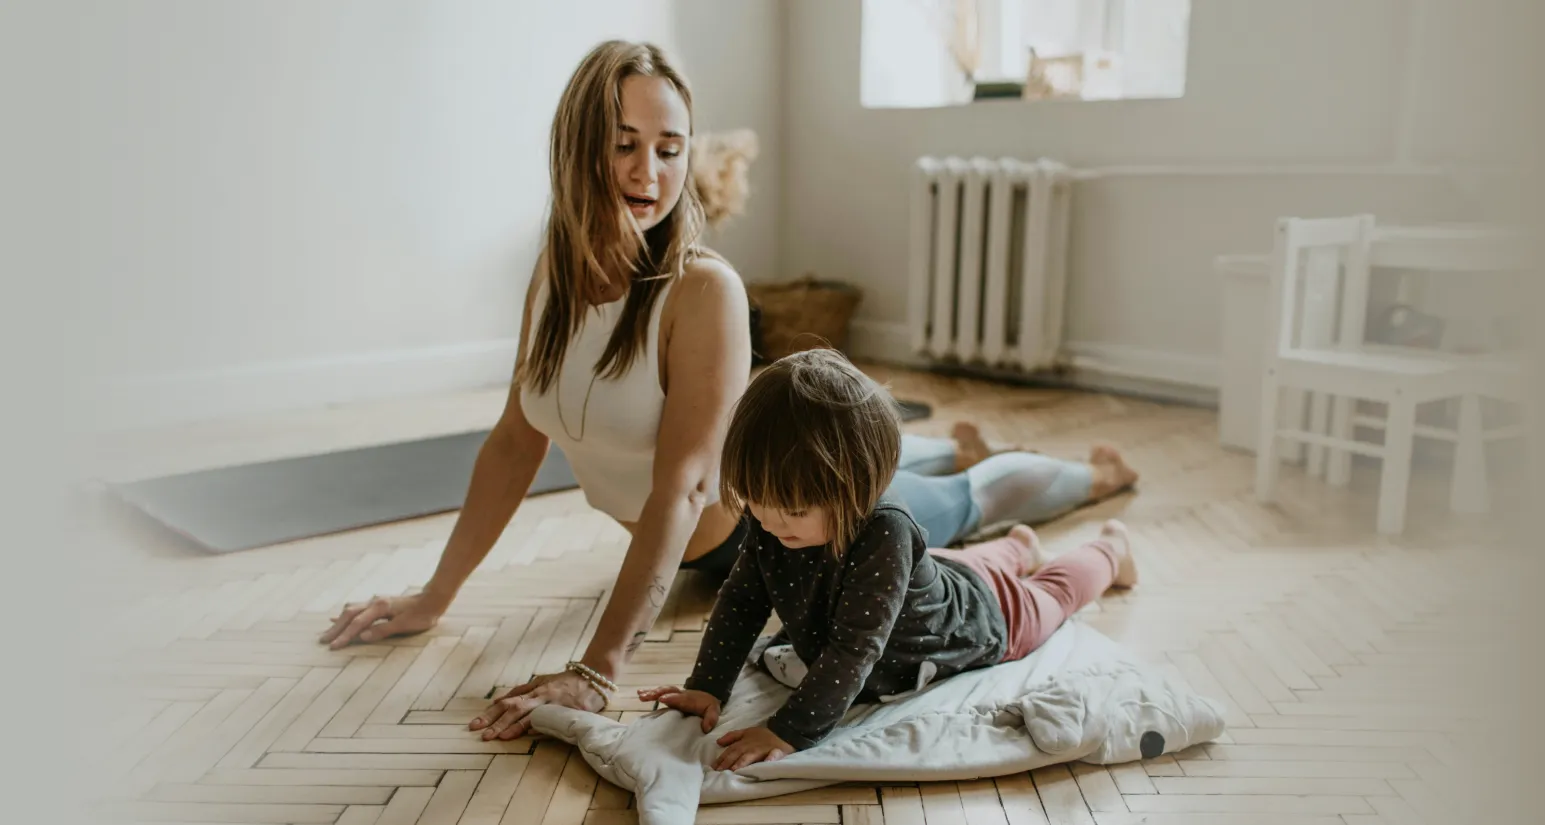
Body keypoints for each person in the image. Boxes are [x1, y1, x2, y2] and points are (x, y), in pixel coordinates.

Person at [316, 39, 1138, 741]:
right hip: (759, 512)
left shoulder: (700, 289)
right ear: (576, 146)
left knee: (964, 498)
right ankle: (946, 459)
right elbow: (511, 442)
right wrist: (435, 594)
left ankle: (1093, 483)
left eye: (669, 148)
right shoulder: (553, 277)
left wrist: (596, 671)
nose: (649, 171)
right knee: (931, 484)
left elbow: (682, 487)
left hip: (796, 525)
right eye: (624, 143)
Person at [638, 349, 1138, 770]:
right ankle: (1020, 545)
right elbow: (743, 600)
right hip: (939, 573)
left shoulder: (886, 532)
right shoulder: (774, 521)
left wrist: (788, 731)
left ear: (857, 488)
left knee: (1052, 593)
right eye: (756, 503)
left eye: (791, 510)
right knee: (968, 564)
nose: (769, 522)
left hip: (983, 616)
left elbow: (854, 650)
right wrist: (707, 685)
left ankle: (1111, 550)